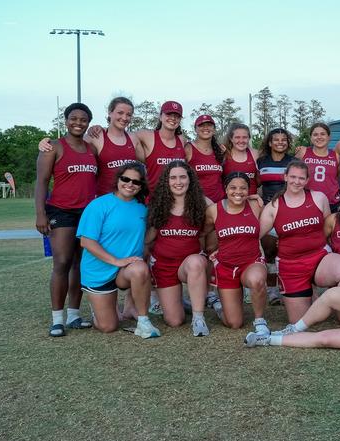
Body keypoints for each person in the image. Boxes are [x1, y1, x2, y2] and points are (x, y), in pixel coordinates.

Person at [258, 161, 340, 324]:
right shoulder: (273, 207)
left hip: (319, 257)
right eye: (292, 177)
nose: (296, 181)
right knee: (300, 322)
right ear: (285, 177)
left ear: (307, 180)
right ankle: (312, 294)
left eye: (301, 178)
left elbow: (328, 228)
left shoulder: (319, 198)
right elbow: (254, 235)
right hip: (291, 267)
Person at [76, 162, 161, 339]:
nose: (130, 184)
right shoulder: (99, 205)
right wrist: (116, 261)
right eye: (126, 179)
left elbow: (146, 239)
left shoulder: (142, 209)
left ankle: (143, 321)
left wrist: (159, 219)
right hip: (99, 272)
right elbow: (86, 242)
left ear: (141, 186)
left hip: (124, 271)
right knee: (109, 326)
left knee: (140, 268)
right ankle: (99, 309)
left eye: (136, 182)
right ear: (118, 179)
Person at [35, 103, 97, 337]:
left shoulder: (91, 149)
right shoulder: (52, 147)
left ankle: (73, 315)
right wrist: (41, 214)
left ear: (88, 122)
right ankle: (57, 319)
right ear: (66, 120)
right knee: (61, 262)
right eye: (74, 118)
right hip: (61, 211)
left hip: (87, 213)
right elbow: (41, 182)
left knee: (79, 264)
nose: (78, 123)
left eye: (83, 119)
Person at [145, 161, 211, 336]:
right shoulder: (159, 204)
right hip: (164, 266)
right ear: (166, 181)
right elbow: (148, 239)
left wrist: (250, 199)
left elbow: (227, 210)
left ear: (190, 179)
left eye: (183, 176)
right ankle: (181, 302)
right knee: (174, 321)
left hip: (189, 265)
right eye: (173, 177)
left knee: (196, 262)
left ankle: (198, 318)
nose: (178, 182)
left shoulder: (202, 203)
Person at [38, 97, 145, 196]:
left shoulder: (133, 138)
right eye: (120, 113)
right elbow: (69, 144)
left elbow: (150, 161)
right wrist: (45, 142)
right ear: (110, 112)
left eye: (129, 115)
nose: (124, 118)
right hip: (103, 199)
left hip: (129, 198)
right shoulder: (95, 136)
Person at [204, 172, 269, 333]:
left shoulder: (256, 205)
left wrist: (256, 196)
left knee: (257, 279)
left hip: (251, 262)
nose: (238, 192)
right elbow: (204, 232)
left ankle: (260, 321)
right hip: (226, 267)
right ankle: (220, 306)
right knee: (234, 323)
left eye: (243, 188)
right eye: (233, 187)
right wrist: (210, 250)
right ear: (225, 189)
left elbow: (277, 210)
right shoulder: (214, 210)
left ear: (249, 190)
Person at [256, 127, 296, 301]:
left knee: (290, 251)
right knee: (270, 250)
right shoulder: (261, 161)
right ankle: (272, 290)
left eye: (284, 139)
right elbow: (256, 184)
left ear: (288, 143)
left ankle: (291, 287)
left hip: (289, 210)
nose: (280, 142)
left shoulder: (294, 161)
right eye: (276, 139)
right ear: (270, 142)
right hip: (268, 211)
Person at [295, 122, 340, 212]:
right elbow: (292, 173)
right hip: (307, 201)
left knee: (330, 226)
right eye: (315, 134)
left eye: (323, 134)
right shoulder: (303, 152)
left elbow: (339, 177)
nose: (319, 137)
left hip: (331, 202)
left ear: (329, 137)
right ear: (311, 138)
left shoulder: (336, 155)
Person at [186, 114, 225, 203]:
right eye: (201, 125)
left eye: (209, 125)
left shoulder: (219, 150)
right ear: (195, 129)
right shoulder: (188, 149)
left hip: (219, 204)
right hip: (197, 203)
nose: (206, 128)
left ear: (214, 129)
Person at [223, 124, 260, 197]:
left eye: (245, 137)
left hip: (251, 202)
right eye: (237, 137)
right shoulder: (223, 155)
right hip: (229, 203)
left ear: (249, 138)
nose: (241, 141)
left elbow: (259, 181)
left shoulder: (255, 154)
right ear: (231, 138)